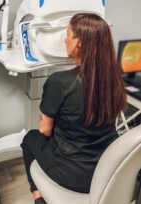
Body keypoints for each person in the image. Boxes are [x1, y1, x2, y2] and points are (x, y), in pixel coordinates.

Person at [21, 13, 126, 204]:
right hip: (106, 169)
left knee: (29, 139)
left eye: (68, 34)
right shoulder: (116, 78)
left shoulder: (59, 82)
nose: (64, 39)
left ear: (79, 43)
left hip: (73, 176)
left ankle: (38, 197)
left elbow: (45, 131)